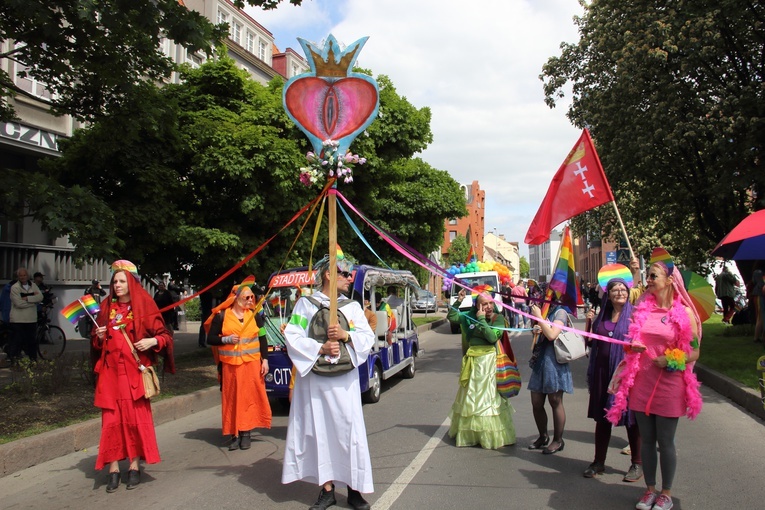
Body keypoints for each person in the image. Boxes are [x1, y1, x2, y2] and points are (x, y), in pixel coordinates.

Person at [606, 248, 702, 510]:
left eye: (653, 275)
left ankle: (666, 493)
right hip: (642, 382)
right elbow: (631, 341)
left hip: (669, 383)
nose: (648, 280)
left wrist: (670, 360)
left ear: (670, 280)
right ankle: (649, 490)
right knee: (646, 440)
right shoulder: (642, 311)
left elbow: (694, 352)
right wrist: (632, 347)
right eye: (647, 275)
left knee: (665, 441)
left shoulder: (684, 314)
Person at [282, 251, 375, 510]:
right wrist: (320, 348)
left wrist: (346, 335)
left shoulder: (353, 308)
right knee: (319, 431)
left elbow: (368, 338)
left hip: (344, 382)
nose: (350, 277)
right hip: (315, 381)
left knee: (349, 432)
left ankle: (355, 489)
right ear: (328, 274)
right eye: (345, 273)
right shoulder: (306, 305)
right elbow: (293, 336)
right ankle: (327, 489)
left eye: (350, 273)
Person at [92, 260, 175, 493]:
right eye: (114, 281)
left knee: (135, 420)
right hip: (110, 375)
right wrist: (98, 336)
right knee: (111, 422)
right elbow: (96, 343)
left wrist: (152, 341)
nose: (117, 285)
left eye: (121, 281)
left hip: (133, 375)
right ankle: (114, 469)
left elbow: (165, 336)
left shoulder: (145, 305)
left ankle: (135, 466)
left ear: (131, 282)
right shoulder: (107, 307)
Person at [583, 261, 643, 482]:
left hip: (626, 375)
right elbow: (591, 343)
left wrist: (635, 271)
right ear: (608, 294)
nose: (620, 292)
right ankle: (599, 462)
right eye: (615, 289)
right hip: (601, 372)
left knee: (630, 418)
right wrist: (589, 324)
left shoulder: (635, 315)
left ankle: (637, 463)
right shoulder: (602, 316)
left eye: (623, 289)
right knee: (602, 417)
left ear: (629, 292)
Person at [205, 278, 271, 451]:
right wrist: (225, 339)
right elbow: (210, 339)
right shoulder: (222, 316)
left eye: (252, 298)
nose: (251, 301)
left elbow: (262, 338)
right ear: (236, 298)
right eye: (247, 297)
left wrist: (265, 359)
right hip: (231, 365)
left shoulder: (255, 315)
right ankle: (234, 433)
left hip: (251, 364)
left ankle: (246, 432)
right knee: (233, 398)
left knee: (249, 398)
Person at [446, 288, 516, 449]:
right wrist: (458, 300)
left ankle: (488, 434)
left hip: (489, 363)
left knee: (487, 400)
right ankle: (472, 433)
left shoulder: (498, 319)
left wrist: (482, 320)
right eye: (484, 304)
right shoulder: (469, 317)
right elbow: (452, 317)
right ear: (477, 306)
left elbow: (492, 337)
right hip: (473, 363)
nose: (489, 306)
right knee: (471, 399)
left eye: (491, 302)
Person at [528, 298, 573, 455]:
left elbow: (552, 335)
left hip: (554, 362)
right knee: (536, 402)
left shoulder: (560, 312)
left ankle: (558, 440)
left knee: (555, 401)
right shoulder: (544, 311)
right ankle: (543, 436)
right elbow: (539, 334)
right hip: (540, 361)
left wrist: (539, 318)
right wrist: (536, 328)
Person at [8, 268, 43, 363]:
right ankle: (14, 361)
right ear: (18, 277)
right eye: (21, 275)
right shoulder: (15, 287)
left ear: (27, 276)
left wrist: (27, 298)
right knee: (17, 342)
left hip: (31, 319)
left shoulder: (34, 285)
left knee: (32, 342)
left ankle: (33, 360)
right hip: (18, 320)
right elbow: (18, 303)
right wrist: (33, 302)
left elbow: (40, 297)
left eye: (24, 275)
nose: (23, 277)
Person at [751, 269, 764, 343]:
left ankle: (759, 337)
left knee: (760, 317)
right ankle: (757, 337)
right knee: (761, 317)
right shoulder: (759, 272)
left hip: (758, 294)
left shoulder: (756, 272)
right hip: (761, 294)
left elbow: (754, 281)